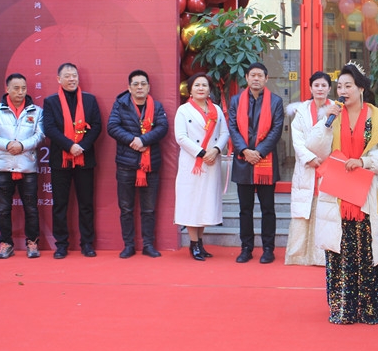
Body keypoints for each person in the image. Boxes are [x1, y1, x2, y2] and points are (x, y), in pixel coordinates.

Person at [306, 62, 378, 324]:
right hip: (339, 195)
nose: (343, 90)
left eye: (348, 85)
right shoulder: (331, 117)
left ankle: (369, 305)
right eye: (339, 86)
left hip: (369, 196)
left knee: (369, 251)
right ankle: (343, 307)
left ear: (361, 88)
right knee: (340, 250)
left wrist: (364, 162)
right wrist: (326, 122)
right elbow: (314, 147)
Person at [107, 70, 169, 259]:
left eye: (143, 84)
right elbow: (112, 126)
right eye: (136, 84)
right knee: (126, 208)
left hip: (150, 165)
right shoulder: (120, 104)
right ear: (129, 87)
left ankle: (148, 245)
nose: (140, 87)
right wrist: (133, 140)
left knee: (149, 208)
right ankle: (129, 245)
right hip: (126, 164)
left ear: (149, 87)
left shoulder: (157, 106)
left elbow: (163, 127)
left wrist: (144, 140)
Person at [43, 63, 102, 259]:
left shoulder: (89, 100)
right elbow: (49, 129)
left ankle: (87, 243)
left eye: (74, 75)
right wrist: (69, 146)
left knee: (86, 204)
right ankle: (61, 245)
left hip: (85, 158)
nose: (72, 79)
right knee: (60, 204)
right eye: (67, 76)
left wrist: (81, 146)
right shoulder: (51, 102)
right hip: (60, 160)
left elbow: (96, 126)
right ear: (58, 79)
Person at [228, 62, 284, 265]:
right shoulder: (236, 100)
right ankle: (246, 248)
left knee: (268, 208)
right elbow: (232, 127)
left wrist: (258, 152)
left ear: (266, 79)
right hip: (243, 160)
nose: (256, 78)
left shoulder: (276, 101)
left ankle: (268, 249)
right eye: (253, 75)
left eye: (260, 75)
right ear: (247, 78)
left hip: (265, 160)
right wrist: (245, 150)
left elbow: (276, 130)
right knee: (245, 209)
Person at [0, 73, 45, 259]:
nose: (20, 92)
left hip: (27, 166)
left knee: (31, 208)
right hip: (4, 166)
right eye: (16, 88)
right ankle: (6, 244)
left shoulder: (36, 111)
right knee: (3, 209)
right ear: (7, 89)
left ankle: (32, 243)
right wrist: (7, 144)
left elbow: (40, 135)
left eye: (23, 88)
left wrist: (22, 145)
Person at [174, 73, 229, 261]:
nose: (200, 88)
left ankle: (200, 242)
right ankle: (193, 243)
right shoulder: (183, 110)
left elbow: (224, 133)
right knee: (192, 201)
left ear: (209, 89)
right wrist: (201, 153)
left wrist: (215, 149)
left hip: (211, 162)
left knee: (206, 202)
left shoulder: (217, 110)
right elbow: (181, 137)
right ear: (190, 89)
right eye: (197, 85)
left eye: (204, 85)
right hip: (193, 163)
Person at [284, 71, 333, 266]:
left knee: (326, 213)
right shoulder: (301, 111)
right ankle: (299, 255)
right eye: (316, 85)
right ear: (310, 88)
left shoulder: (336, 109)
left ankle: (322, 256)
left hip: (329, 166)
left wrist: (328, 159)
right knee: (302, 211)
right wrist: (310, 158)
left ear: (329, 88)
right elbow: (296, 140)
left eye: (324, 85)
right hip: (306, 167)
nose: (320, 89)